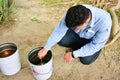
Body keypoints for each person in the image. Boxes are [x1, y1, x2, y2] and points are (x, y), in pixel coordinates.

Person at [38, 4, 112, 65]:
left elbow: (94, 46)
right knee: (61, 40)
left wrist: (73, 54)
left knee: (86, 60)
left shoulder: (104, 22)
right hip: (79, 36)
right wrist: (46, 48)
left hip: (92, 42)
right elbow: (58, 31)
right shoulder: (72, 13)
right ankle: (77, 47)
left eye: (74, 28)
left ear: (86, 23)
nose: (72, 28)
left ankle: (78, 50)